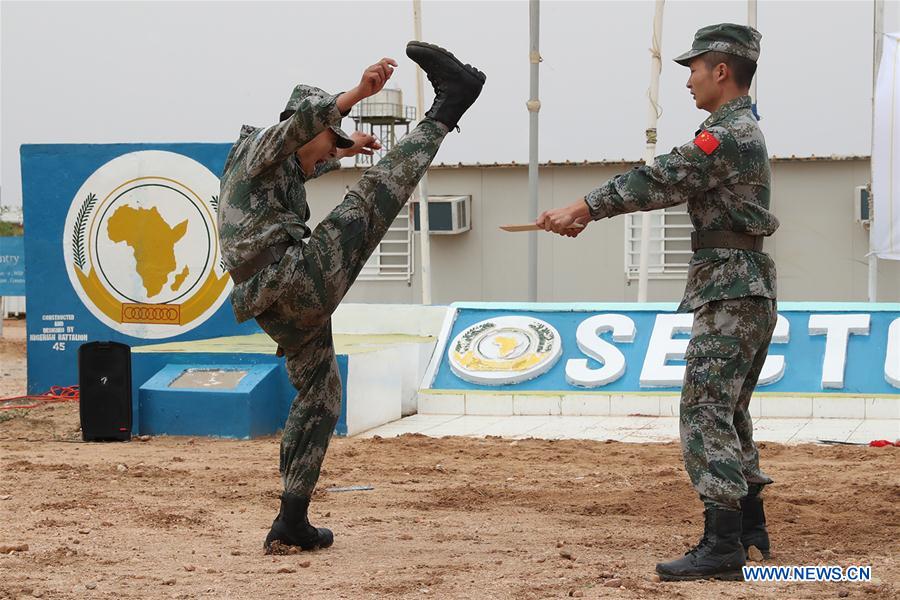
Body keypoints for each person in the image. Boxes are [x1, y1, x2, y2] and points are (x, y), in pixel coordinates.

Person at [217, 42, 486, 553]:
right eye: (328, 139)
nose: (328, 153)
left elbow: (309, 156)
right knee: (371, 197)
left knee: (320, 395)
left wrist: (344, 146)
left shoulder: (282, 171)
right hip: (291, 280)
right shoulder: (257, 150)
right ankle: (450, 105)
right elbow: (297, 132)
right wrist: (358, 94)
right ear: (305, 128)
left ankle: (291, 519)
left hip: (275, 303)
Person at [537, 23, 777, 581]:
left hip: (731, 286)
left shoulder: (727, 136)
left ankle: (723, 545)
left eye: (694, 69)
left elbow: (659, 178)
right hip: (743, 283)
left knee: (703, 410)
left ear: (722, 71)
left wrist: (582, 208)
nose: (688, 81)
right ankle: (748, 528)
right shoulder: (739, 131)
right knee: (728, 410)